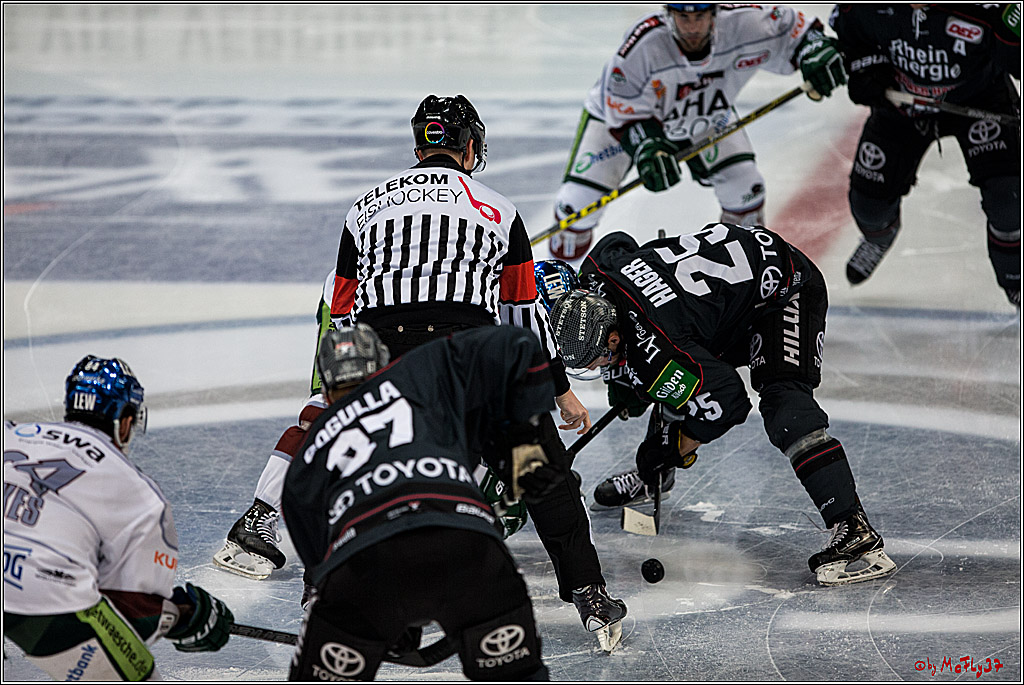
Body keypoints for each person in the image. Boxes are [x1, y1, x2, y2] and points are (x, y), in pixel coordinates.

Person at [328, 94, 626, 649]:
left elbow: (341, 308)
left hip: (388, 365)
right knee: (542, 478)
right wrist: (559, 391)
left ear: (420, 146)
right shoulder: (499, 209)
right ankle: (589, 594)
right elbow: (519, 317)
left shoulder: (363, 206)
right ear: (469, 147)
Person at [549, 224, 897, 586]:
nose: (594, 368)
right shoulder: (595, 276)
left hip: (785, 291)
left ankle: (854, 529)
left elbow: (726, 403)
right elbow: (616, 242)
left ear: (615, 336)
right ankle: (657, 474)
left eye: (596, 360)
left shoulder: (657, 350)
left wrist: (672, 448)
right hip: (728, 292)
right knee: (667, 375)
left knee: (787, 410)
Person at [283, 324, 565, 680]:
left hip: (364, 565)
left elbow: (319, 562)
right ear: (384, 363)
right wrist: (526, 440)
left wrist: (390, 619)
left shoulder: (309, 451)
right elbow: (520, 342)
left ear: (325, 391)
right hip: (466, 546)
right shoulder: (420, 369)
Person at [547, 3, 848, 261]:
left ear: (715, 12)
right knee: (576, 206)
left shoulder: (746, 20)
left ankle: (745, 285)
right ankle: (557, 300)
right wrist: (646, 146)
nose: (692, 27)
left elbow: (798, 30)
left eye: (700, 15)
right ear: (669, 14)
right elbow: (620, 106)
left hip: (707, 119)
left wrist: (814, 49)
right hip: (624, 122)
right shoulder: (642, 44)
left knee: (746, 189)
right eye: (683, 16)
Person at [4, 356, 234, 681]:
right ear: (124, 421)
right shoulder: (139, 492)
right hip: (45, 597)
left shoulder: (11, 433)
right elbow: (134, 611)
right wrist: (182, 614)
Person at [830, 4, 1021, 307]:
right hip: (901, 106)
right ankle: (879, 236)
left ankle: (1016, 279)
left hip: (981, 99)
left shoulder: (991, 9)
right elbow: (852, 36)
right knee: (868, 207)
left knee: (1009, 200)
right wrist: (867, 68)